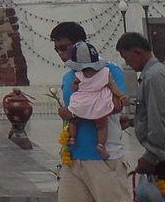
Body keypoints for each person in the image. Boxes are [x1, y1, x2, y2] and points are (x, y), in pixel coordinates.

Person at [50, 21, 131, 202]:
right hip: (72, 158)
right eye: (57, 50)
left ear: (79, 44)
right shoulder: (69, 76)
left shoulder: (108, 70)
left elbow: (116, 105)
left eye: (63, 48)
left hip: (103, 158)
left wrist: (74, 112)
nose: (60, 54)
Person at [65, 42, 129, 158]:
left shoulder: (78, 74)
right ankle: (101, 145)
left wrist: (76, 87)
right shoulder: (106, 72)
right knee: (101, 126)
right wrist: (122, 96)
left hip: (82, 102)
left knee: (73, 119)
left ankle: (72, 137)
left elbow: (74, 87)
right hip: (99, 104)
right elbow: (112, 87)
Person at [116, 33, 165, 178]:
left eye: (127, 58)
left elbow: (159, 119)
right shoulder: (150, 74)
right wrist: (132, 121)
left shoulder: (154, 76)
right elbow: (149, 113)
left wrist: (151, 156)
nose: (128, 64)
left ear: (137, 52)